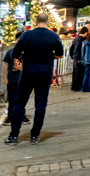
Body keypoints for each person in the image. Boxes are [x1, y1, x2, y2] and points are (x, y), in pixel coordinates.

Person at [6, 14, 63, 145]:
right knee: (41, 104)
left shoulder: (26, 35)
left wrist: (24, 56)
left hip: (28, 72)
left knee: (19, 103)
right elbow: (60, 54)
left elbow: (15, 53)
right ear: (48, 22)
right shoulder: (54, 36)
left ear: (35, 22)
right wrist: (51, 56)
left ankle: (14, 136)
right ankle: (35, 135)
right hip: (45, 72)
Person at [1, 42, 28, 124]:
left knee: (19, 98)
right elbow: (6, 64)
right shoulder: (11, 52)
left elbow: (19, 66)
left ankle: (21, 116)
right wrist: (4, 77)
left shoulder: (24, 53)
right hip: (13, 79)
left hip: (21, 79)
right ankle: (12, 116)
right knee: (13, 98)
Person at [69, 27, 87, 91]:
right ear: (85, 33)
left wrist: (72, 56)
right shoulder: (81, 40)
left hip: (75, 57)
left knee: (75, 73)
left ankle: (73, 86)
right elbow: (79, 50)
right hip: (79, 59)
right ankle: (77, 86)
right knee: (79, 73)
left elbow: (71, 48)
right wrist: (79, 58)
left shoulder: (76, 38)